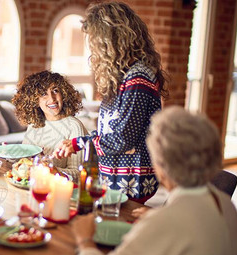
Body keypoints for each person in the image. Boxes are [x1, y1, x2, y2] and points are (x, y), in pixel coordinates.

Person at [72, 106, 237, 255]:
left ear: (161, 166)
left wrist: (84, 240)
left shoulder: (165, 223)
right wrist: (159, 217)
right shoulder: (224, 203)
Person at [53, 2, 168, 203]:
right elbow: (111, 132)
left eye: (96, 41)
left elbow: (123, 138)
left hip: (131, 182)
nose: (93, 49)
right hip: (115, 180)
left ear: (111, 40)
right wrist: (78, 142)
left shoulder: (138, 79)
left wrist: (79, 143)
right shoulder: (124, 77)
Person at [12, 70, 87, 180]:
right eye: (43, 94)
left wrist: (49, 169)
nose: (52, 99)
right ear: (34, 100)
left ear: (64, 94)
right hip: (34, 186)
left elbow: (79, 174)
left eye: (55, 91)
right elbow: (25, 162)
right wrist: (12, 159)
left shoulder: (74, 126)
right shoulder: (34, 125)